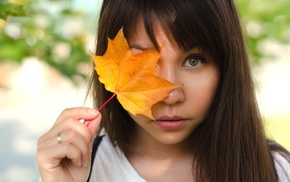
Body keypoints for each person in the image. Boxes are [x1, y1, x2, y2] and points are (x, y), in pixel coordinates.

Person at [37, 0, 290, 181]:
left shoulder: (275, 170)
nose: (169, 95)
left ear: (226, 68)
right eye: (145, 64)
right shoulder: (79, 169)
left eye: (194, 60)